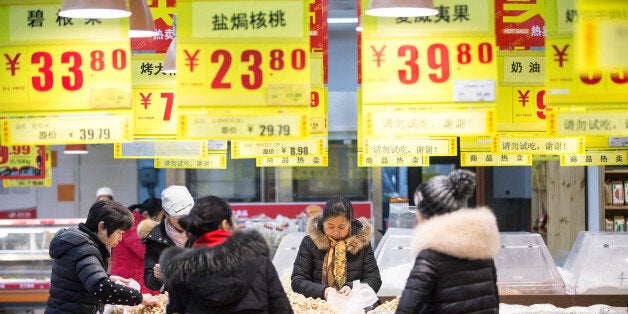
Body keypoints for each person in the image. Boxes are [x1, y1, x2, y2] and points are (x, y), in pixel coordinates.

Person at [160, 195, 293, 313]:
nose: (235, 227)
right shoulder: (260, 263)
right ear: (224, 225)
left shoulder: (180, 271)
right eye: (233, 221)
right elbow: (282, 309)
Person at [396, 169, 500, 313]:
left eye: (418, 208)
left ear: (426, 213)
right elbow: (493, 305)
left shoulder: (430, 257)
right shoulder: (483, 252)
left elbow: (406, 309)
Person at [46, 200, 157, 313]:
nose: (120, 239)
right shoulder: (84, 249)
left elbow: (81, 278)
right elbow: (100, 288)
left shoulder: (79, 243)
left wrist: (108, 278)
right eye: (119, 233)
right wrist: (139, 298)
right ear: (101, 226)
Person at [292, 196, 381, 300]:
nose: (336, 232)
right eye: (330, 226)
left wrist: (352, 288)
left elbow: (374, 279)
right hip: (318, 305)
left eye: (341, 227)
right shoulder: (310, 242)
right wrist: (323, 291)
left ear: (350, 224)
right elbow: (298, 281)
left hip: (354, 305)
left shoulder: (362, 243)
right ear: (323, 222)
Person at [143, 185, 194, 292]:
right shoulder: (156, 238)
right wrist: (156, 275)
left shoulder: (205, 229)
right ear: (166, 214)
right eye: (177, 216)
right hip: (173, 298)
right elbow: (150, 283)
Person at [110, 198, 164, 295]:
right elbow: (145, 250)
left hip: (137, 281)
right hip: (128, 281)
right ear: (146, 215)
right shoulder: (132, 227)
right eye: (159, 218)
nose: (161, 222)